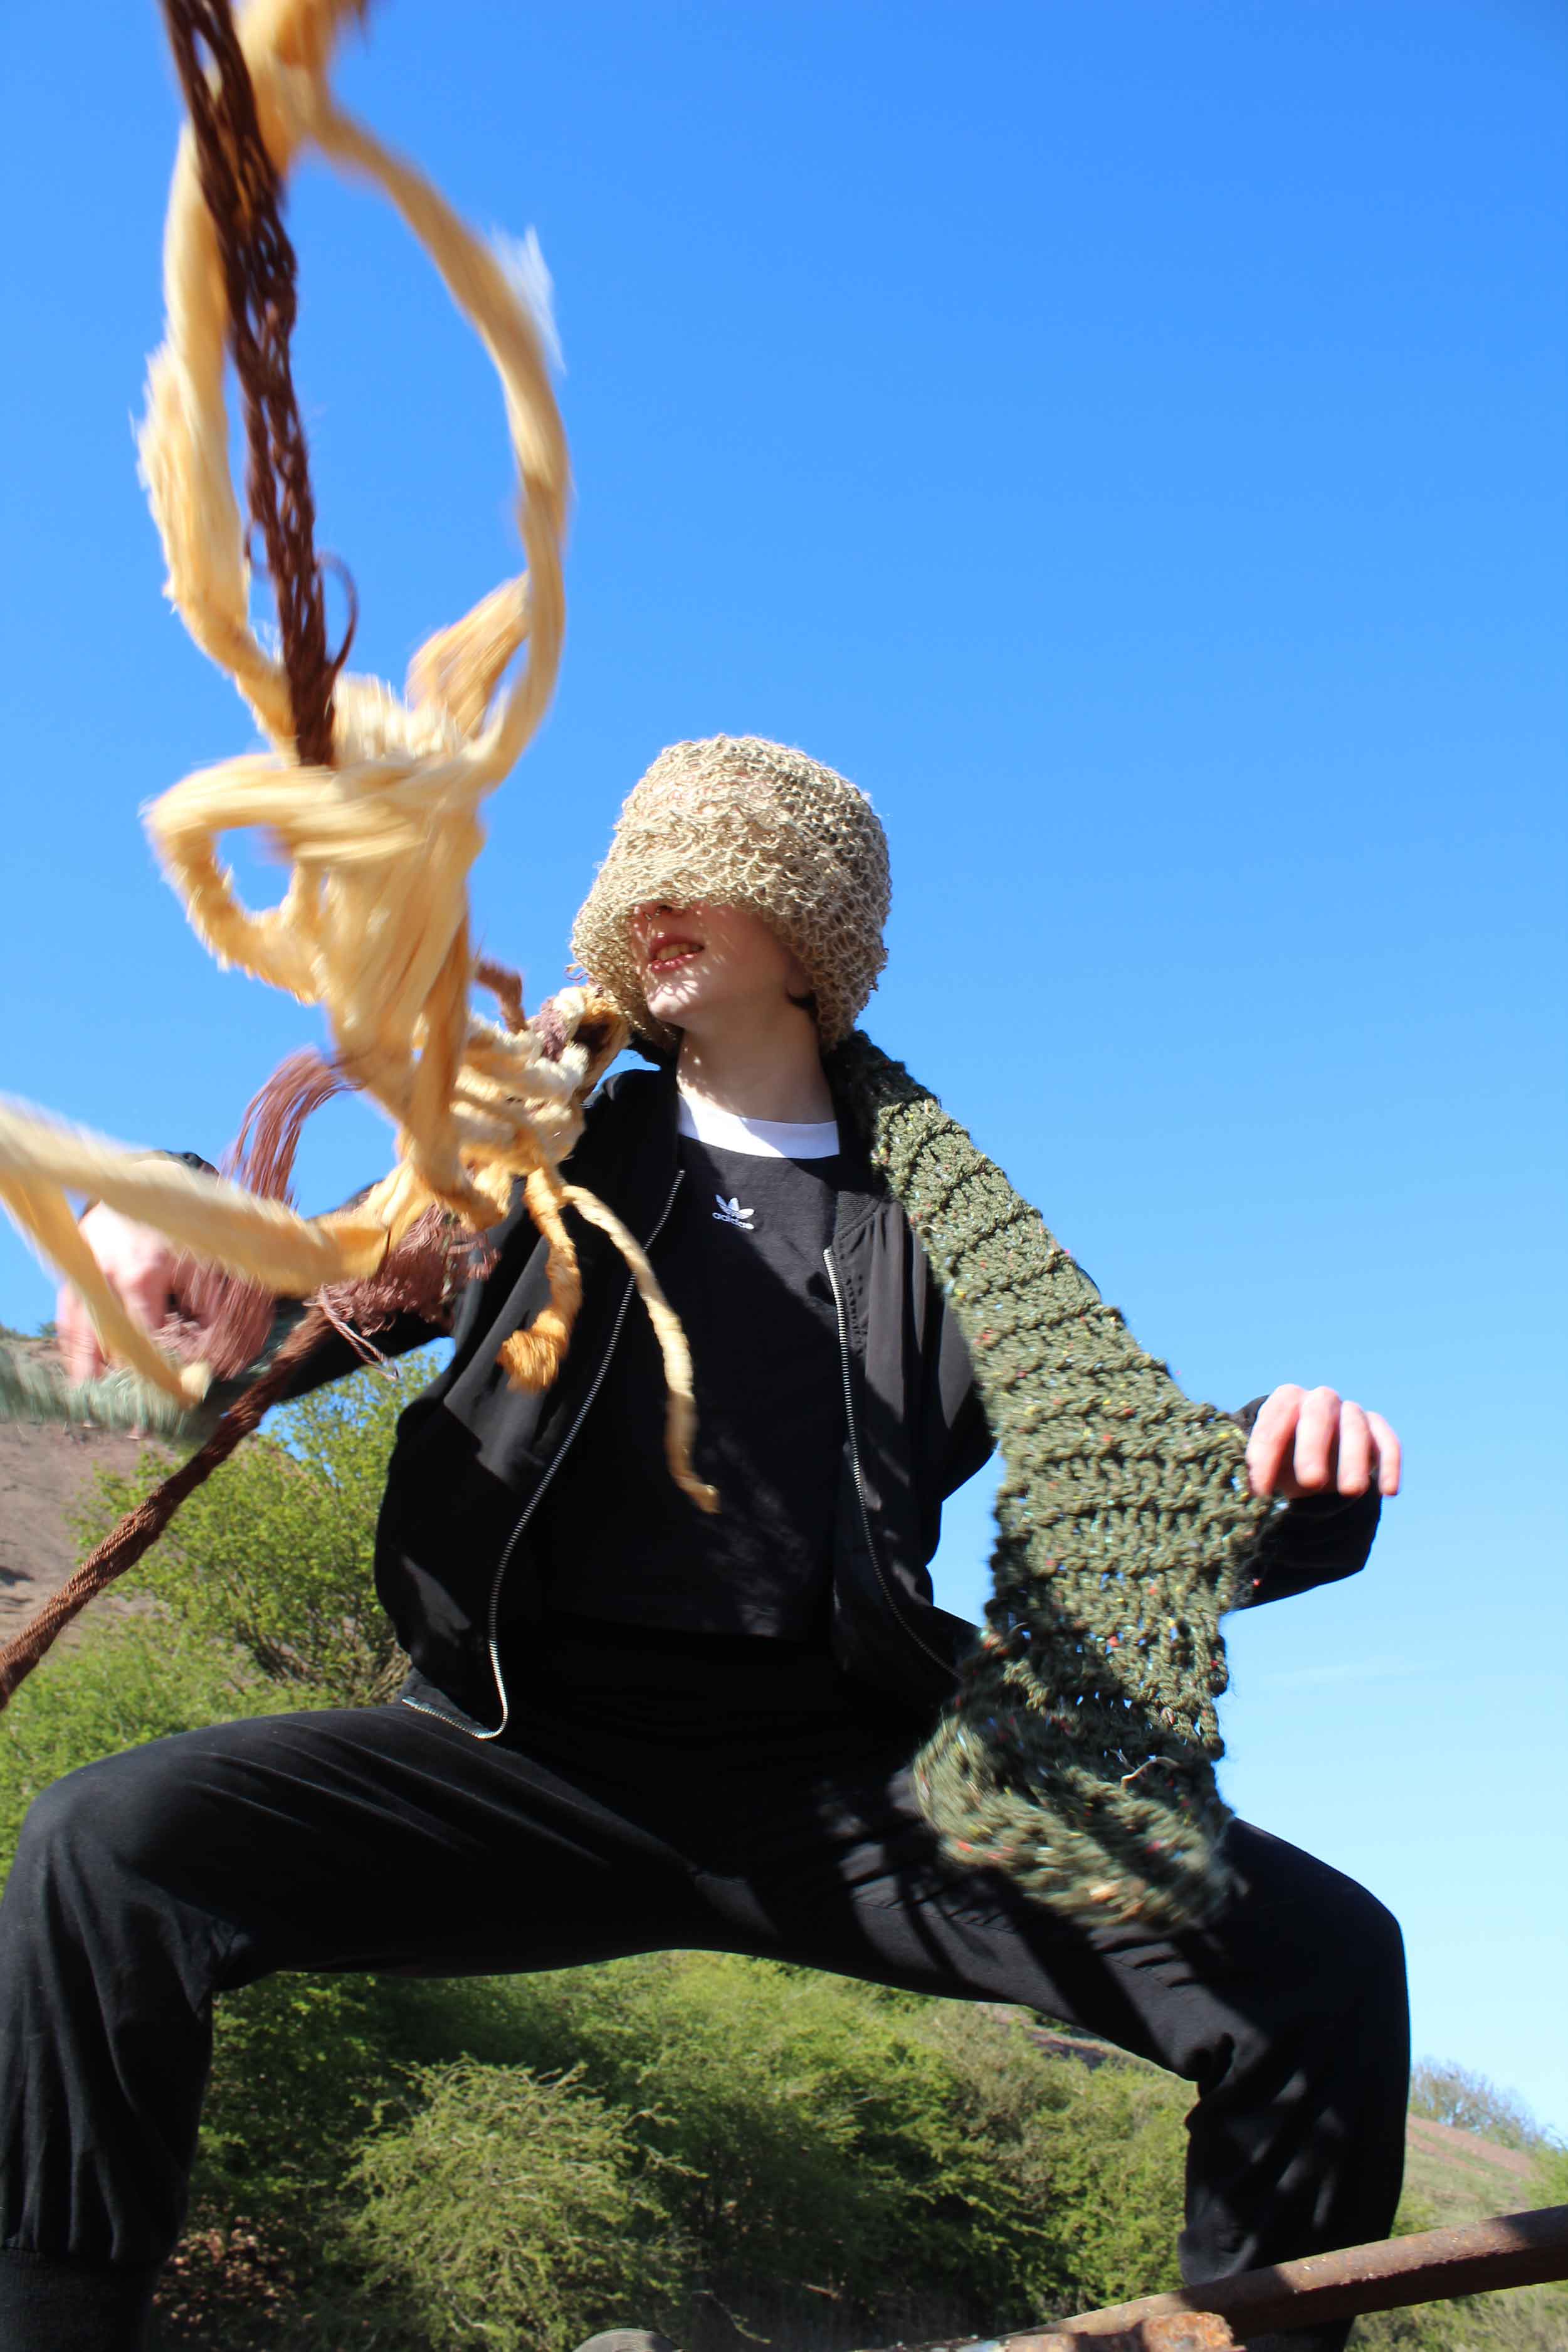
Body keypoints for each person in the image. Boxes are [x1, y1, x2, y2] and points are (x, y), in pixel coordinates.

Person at [0, 736, 1406, 2352]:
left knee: (1325, 1963)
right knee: (108, 1848)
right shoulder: (554, 1150)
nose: (653, 905)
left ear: (807, 924)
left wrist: (1292, 1477)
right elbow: (333, 1255)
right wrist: (163, 1213)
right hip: (525, 1759)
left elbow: (1125, 1472)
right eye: (639, 873)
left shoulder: (941, 1235)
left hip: (849, 1792)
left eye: (706, 872)